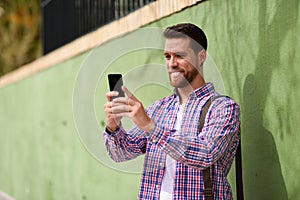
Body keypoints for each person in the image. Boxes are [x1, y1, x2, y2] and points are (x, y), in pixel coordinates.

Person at [103, 23, 240, 200]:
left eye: (180, 56)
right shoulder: (159, 109)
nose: (171, 63)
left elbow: (205, 154)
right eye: (167, 56)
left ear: (201, 56)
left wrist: (151, 127)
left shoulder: (223, 108)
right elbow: (122, 153)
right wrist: (113, 126)